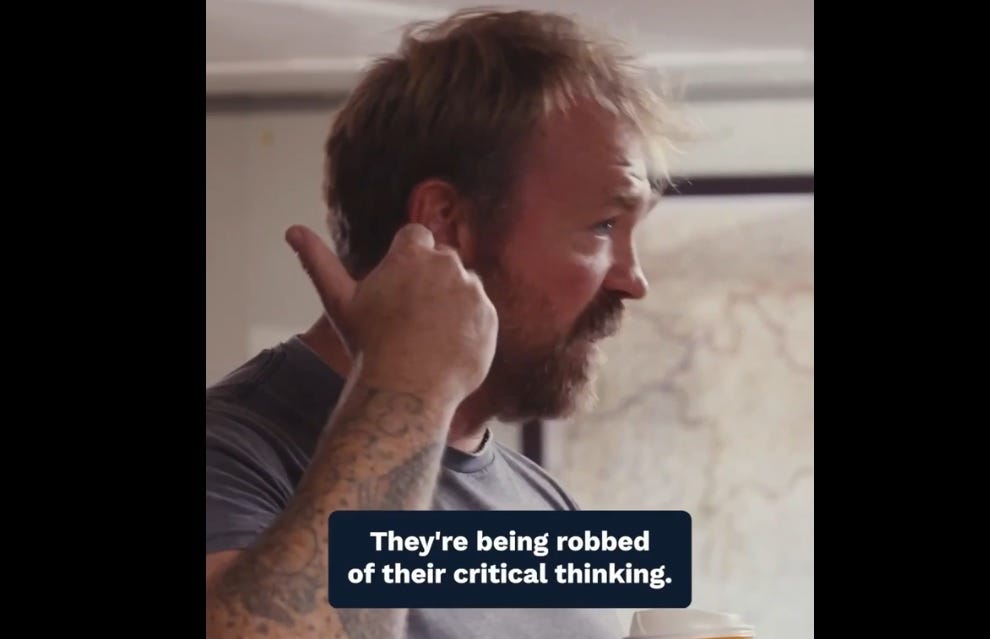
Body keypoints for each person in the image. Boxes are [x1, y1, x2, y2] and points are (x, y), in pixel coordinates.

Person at [205, 7, 688, 639]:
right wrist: (410, 380)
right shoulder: (230, 456)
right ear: (444, 223)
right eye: (602, 225)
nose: (633, 280)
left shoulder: (543, 503)